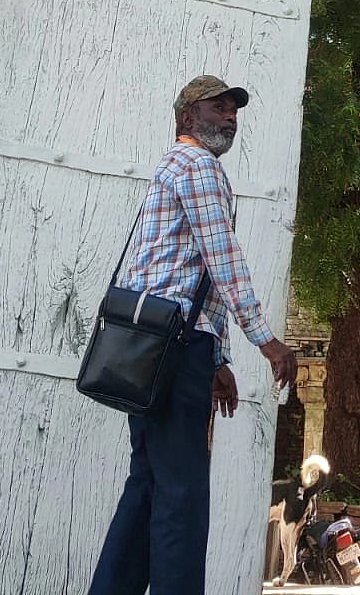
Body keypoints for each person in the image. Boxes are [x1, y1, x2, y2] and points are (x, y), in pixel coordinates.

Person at [88, 76, 298, 595]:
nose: (229, 117)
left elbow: (190, 271)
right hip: (175, 351)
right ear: (186, 118)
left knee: (148, 486)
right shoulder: (199, 166)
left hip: (151, 348)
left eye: (233, 110)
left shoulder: (170, 167)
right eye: (217, 108)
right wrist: (264, 339)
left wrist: (219, 358)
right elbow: (222, 259)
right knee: (181, 497)